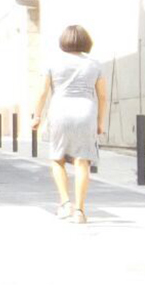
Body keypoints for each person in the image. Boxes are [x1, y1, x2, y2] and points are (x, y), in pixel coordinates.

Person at [31, 25, 108, 224]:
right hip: (86, 113)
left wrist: (37, 116)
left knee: (57, 159)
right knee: (83, 162)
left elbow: (42, 93)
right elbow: (102, 96)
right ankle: (80, 211)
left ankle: (65, 203)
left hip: (60, 112)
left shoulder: (52, 62)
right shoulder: (95, 64)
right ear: (86, 41)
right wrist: (100, 122)